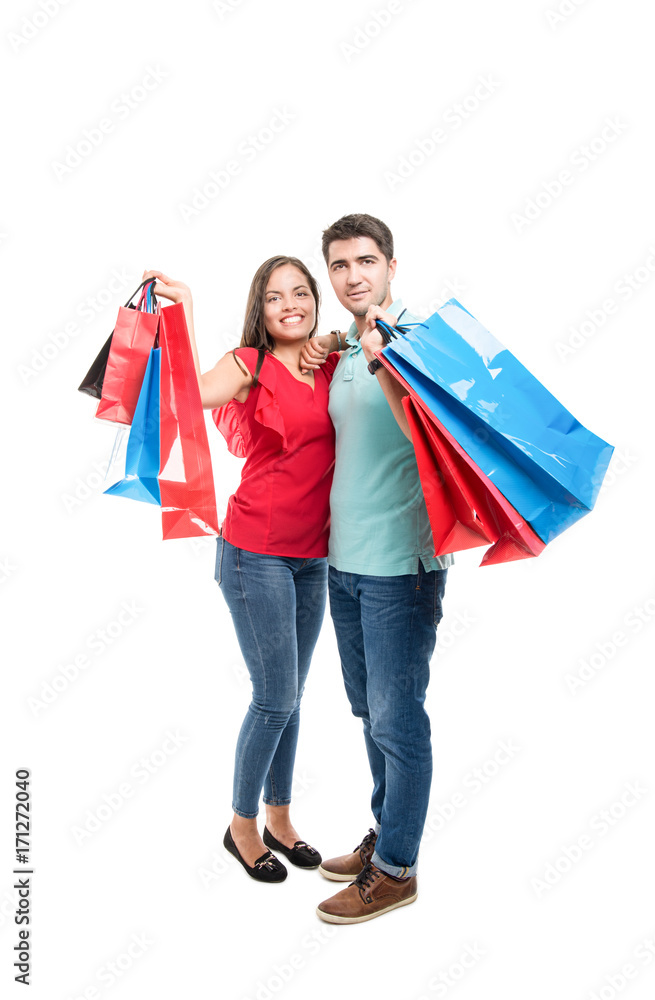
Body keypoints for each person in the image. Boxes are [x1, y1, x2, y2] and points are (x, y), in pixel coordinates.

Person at [143, 258, 339, 883]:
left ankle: (280, 818)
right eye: (276, 297)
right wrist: (186, 313)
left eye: (301, 293)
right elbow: (185, 394)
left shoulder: (330, 363)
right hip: (256, 550)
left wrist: (336, 337)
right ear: (261, 308)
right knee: (274, 697)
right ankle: (242, 825)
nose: (291, 304)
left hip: (314, 555)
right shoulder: (248, 364)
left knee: (293, 694)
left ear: (316, 301)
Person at [299, 214, 454, 923]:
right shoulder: (345, 349)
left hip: (402, 567)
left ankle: (396, 870)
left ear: (392, 265)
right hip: (345, 563)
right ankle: (386, 833)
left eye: (366, 261)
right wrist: (341, 345)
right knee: (369, 712)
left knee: (399, 719)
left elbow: (434, 434)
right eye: (339, 265)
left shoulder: (419, 339)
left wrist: (382, 356)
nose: (353, 275)